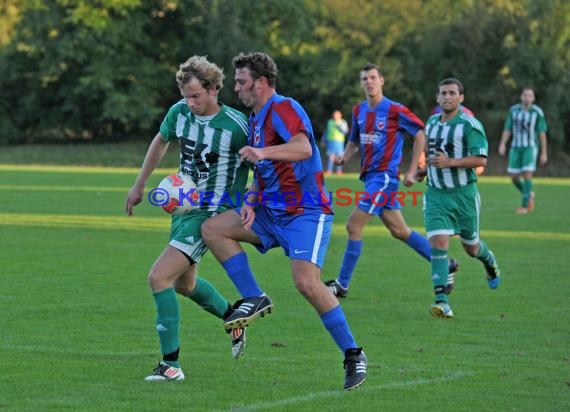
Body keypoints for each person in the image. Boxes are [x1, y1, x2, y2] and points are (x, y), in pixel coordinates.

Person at [201, 52, 367, 391]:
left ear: (261, 82)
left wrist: (262, 153)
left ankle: (353, 354)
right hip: (269, 213)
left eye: (242, 82)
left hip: (306, 212)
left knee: (306, 283)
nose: (237, 88)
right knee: (213, 229)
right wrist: (250, 200)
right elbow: (263, 171)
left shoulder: (283, 107)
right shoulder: (257, 117)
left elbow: (303, 148)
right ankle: (253, 296)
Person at [125, 55, 250, 381]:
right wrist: (140, 184)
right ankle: (233, 317)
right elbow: (160, 140)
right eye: (185, 96)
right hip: (183, 210)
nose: (190, 103)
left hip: (212, 213)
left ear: (213, 90)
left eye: (195, 96)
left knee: (158, 278)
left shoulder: (236, 126)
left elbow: (262, 161)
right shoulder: (178, 113)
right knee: (185, 283)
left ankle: (171, 365)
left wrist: (253, 198)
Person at [324, 63, 458, 299]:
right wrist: (345, 157)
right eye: (364, 78)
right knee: (400, 230)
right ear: (361, 83)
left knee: (353, 225)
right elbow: (354, 139)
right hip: (371, 179)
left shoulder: (394, 110)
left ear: (382, 81)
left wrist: (412, 168)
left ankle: (342, 284)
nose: (369, 82)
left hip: (385, 178)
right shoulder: (358, 111)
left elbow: (419, 133)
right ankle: (444, 263)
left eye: (373, 77)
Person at [424, 78, 502, 318]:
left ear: (461, 98)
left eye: (452, 93)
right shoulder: (431, 123)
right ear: (437, 98)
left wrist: (450, 163)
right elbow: (432, 156)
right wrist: (422, 170)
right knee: (438, 243)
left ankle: (489, 262)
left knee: (471, 247)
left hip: (464, 196)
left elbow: (481, 160)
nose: (447, 97)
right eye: (443, 93)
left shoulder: (470, 125)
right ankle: (442, 301)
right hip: (436, 194)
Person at [498, 87, 548, 214]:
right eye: (525, 95)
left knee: (527, 174)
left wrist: (544, 152)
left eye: (530, 95)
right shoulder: (514, 110)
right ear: (521, 97)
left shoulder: (537, 112)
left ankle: (524, 206)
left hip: (530, 147)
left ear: (533, 98)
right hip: (515, 147)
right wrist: (503, 144)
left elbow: (542, 133)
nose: (527, 97)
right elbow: (508, 128)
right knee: (514, 177)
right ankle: (529, 194)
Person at [322, 110, 348, 175]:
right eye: (334, 114)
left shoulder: (343, 122)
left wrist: (339, 127)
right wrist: (323, 140)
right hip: (330, 141)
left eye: (336, 114)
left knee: (339, 156)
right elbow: (326, 131)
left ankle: (339, 171)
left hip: (339, 142)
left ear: (340, 115)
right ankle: (329, 170)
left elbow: (345, 131)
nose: (335, 116)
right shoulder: (330, 122)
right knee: (331, 156)